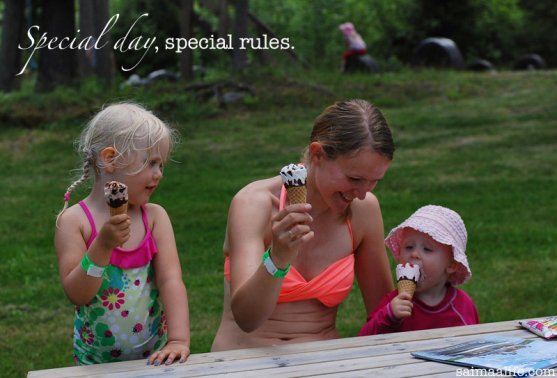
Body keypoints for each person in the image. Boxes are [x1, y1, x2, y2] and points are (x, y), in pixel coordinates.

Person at [211, 99, 396, 351]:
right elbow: (247, 318)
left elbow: (383, 316)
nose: (362, 193)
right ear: (317, 154)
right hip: (247, 358)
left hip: (324, 361)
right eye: (354, 178)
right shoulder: (254, 203)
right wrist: (277, 259)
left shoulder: (364, 211)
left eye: (373, 181)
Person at [54, 102, 190, 366]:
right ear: (110, 159)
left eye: (161, 165)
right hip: (95, 364)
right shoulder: (74, 222)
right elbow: (77, 294)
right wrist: (102, 246)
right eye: (150, 163)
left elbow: (170, 281)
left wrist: (178, 340)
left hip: (155, 357)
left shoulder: (154, 218)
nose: (159, 174)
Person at [358, 205, 479, 336]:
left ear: (452, 265)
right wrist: (388, 315)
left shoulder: (462, 305)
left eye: (427, 249)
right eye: (408, 247)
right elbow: (363, 340)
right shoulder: (393, 303)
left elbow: (475, 343)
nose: (414, 254)